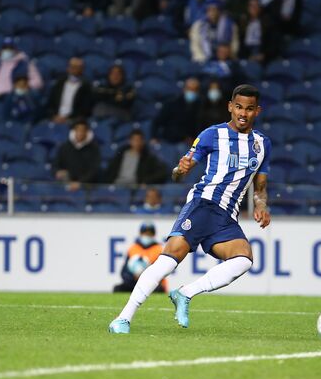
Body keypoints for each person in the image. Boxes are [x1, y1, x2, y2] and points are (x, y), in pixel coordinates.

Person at [108, 84, 271, 334]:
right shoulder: (211, 135)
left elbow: (260, 185)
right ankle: (123, 318)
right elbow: (178, 172)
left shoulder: (262, 144)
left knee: (243, 259)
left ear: (257, 111)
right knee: (170, 258)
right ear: (230, 106)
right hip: (203, 204)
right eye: (238, 107)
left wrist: (261, 205)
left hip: (227, 215)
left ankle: (185, 293)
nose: (243, 113)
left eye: (249, 109)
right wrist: (180, 170)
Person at [114, 222, 169, 292]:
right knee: (118, 289)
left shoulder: (159, 249)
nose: (147, 236)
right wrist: (133, 277)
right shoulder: (133, 248)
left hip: (151, 283)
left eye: (150, 234)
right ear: (141, 234)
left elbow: (162, 272)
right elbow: (124, 272)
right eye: (145, 233)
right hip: (134, 282)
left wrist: (146, 277)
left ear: (154, 235)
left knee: (159, 289)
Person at [152, 77, 202, 143]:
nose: (191, 92)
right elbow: (157, 122)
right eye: (189, 89)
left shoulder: (201, 107)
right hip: (170, 141)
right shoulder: (172, 104)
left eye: (194, 89)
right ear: (184, 89)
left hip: (191, 144)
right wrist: (154, 137)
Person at [54, 117, 100, 186]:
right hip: (65, 186)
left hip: (87, 188)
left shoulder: (94, 149)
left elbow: (94, 170)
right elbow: (55, 165)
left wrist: (80, 182)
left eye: (82, 130)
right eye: (77, 130)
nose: (80, 133)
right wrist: (57, 172)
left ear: (87, 132)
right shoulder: (64, 147)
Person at [46, 57, 94, 123]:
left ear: (82, 69)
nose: (74, 69)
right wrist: (54, 116)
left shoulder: (86, 86)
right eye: (72, 66)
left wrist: (67, 118)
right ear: (68, 68)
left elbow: (85, 109)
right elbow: (51, 104)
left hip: (74, 120)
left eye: (77, 67)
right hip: (56, 117)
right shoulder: (59, 83)